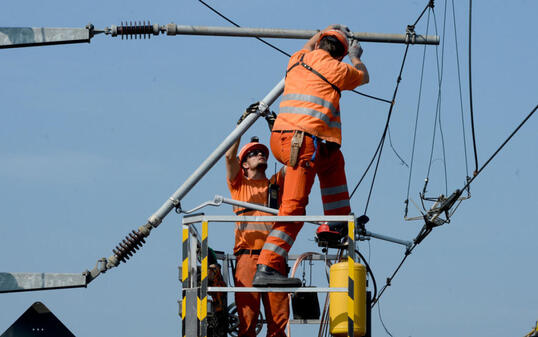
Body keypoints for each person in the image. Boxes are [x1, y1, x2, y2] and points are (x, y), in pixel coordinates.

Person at [252, 25, 370, 287]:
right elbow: (363, 76)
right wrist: (356, 54)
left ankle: (336, 223)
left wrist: (326, 30)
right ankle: (267, 266)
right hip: (302, 143)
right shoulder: (338, 69)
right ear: (339, 54)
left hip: (290, 141)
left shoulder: (297, 58)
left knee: (333, 161)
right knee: (294, 208)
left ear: (319, 43)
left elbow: (309, 45)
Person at [225, 105, 289, 337]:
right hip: (247, 258)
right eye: (253, 153)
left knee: (279, 322)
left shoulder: (275, 184)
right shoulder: (239, 185)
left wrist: (275, 126)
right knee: (247, 321)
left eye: (262, 152)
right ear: (244, 164)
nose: (260, 154)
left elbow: (291, 162)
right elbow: (229, 155)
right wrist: (242, 124)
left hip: (273, 258)